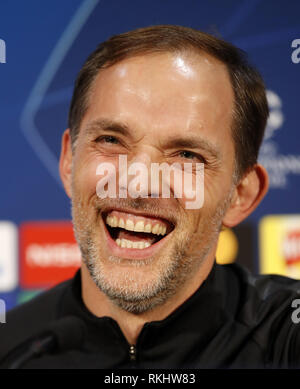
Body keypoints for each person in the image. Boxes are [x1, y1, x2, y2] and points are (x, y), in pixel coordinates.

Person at [1, 24, 300, 369]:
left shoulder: (285, 335)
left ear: (240, 195)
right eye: (111, 140)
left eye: (187, 155)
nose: (139, 185)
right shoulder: (12, 350)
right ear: (69, 161)